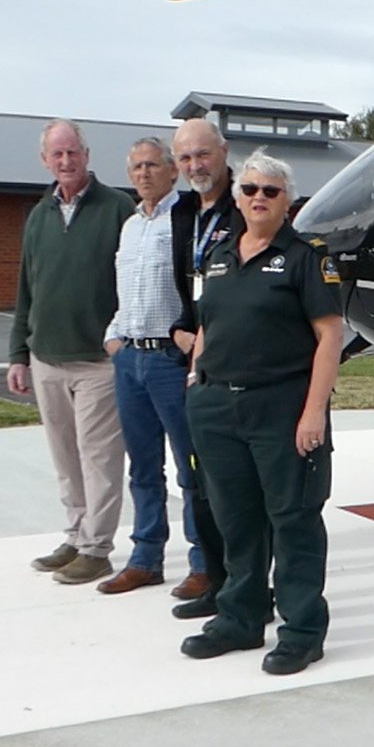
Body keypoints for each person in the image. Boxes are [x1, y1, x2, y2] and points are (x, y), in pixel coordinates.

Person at [181, 150, 342, 676]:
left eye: (270, 191)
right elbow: (209, 321)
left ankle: (301, 632)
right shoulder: (220, 255)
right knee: (236, 520)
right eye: (249, 189)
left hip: (281, 407)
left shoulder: (306, 257)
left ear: (287, 201)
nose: (258, 198)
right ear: (237, 196)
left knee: (293, 519)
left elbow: (328, 337)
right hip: (216, 408)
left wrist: (313, 412)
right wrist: (196, 372)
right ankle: (240, 618)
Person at [8, 119, 136, 585]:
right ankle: (76, 533)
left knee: (98, 457)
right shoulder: (39, 215)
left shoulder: (118, 209)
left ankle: (97, 548)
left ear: (87, 154)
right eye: (57, 154)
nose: (66, 161)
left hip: (98, 361)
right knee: (65, 458)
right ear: (45, 160)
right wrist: (18, 352)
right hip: (46, 358)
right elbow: (26, 288)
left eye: (73, 152)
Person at [97, 138, 205, 595]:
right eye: (136, 166)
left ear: (171, 171)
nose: (143, 174)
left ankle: (204, 561)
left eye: (152, 165)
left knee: (192, 466)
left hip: (169, 359)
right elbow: (123, 289)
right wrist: (113, 338)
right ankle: (145, 558)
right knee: (142, 467)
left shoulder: (188, 219)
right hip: (130, 359)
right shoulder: (130, 226)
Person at [167, 118, 240, 616]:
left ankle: (246, 587)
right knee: (202, 483)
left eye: (203, 154)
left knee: (237, 490)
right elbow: (186, 286)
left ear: (223, 151)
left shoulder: (250, 204)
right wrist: (180, 329)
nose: (195, 165)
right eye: (186, 158)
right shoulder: (182, 213)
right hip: (193, 363)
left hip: (236, 365)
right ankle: (216, 582)